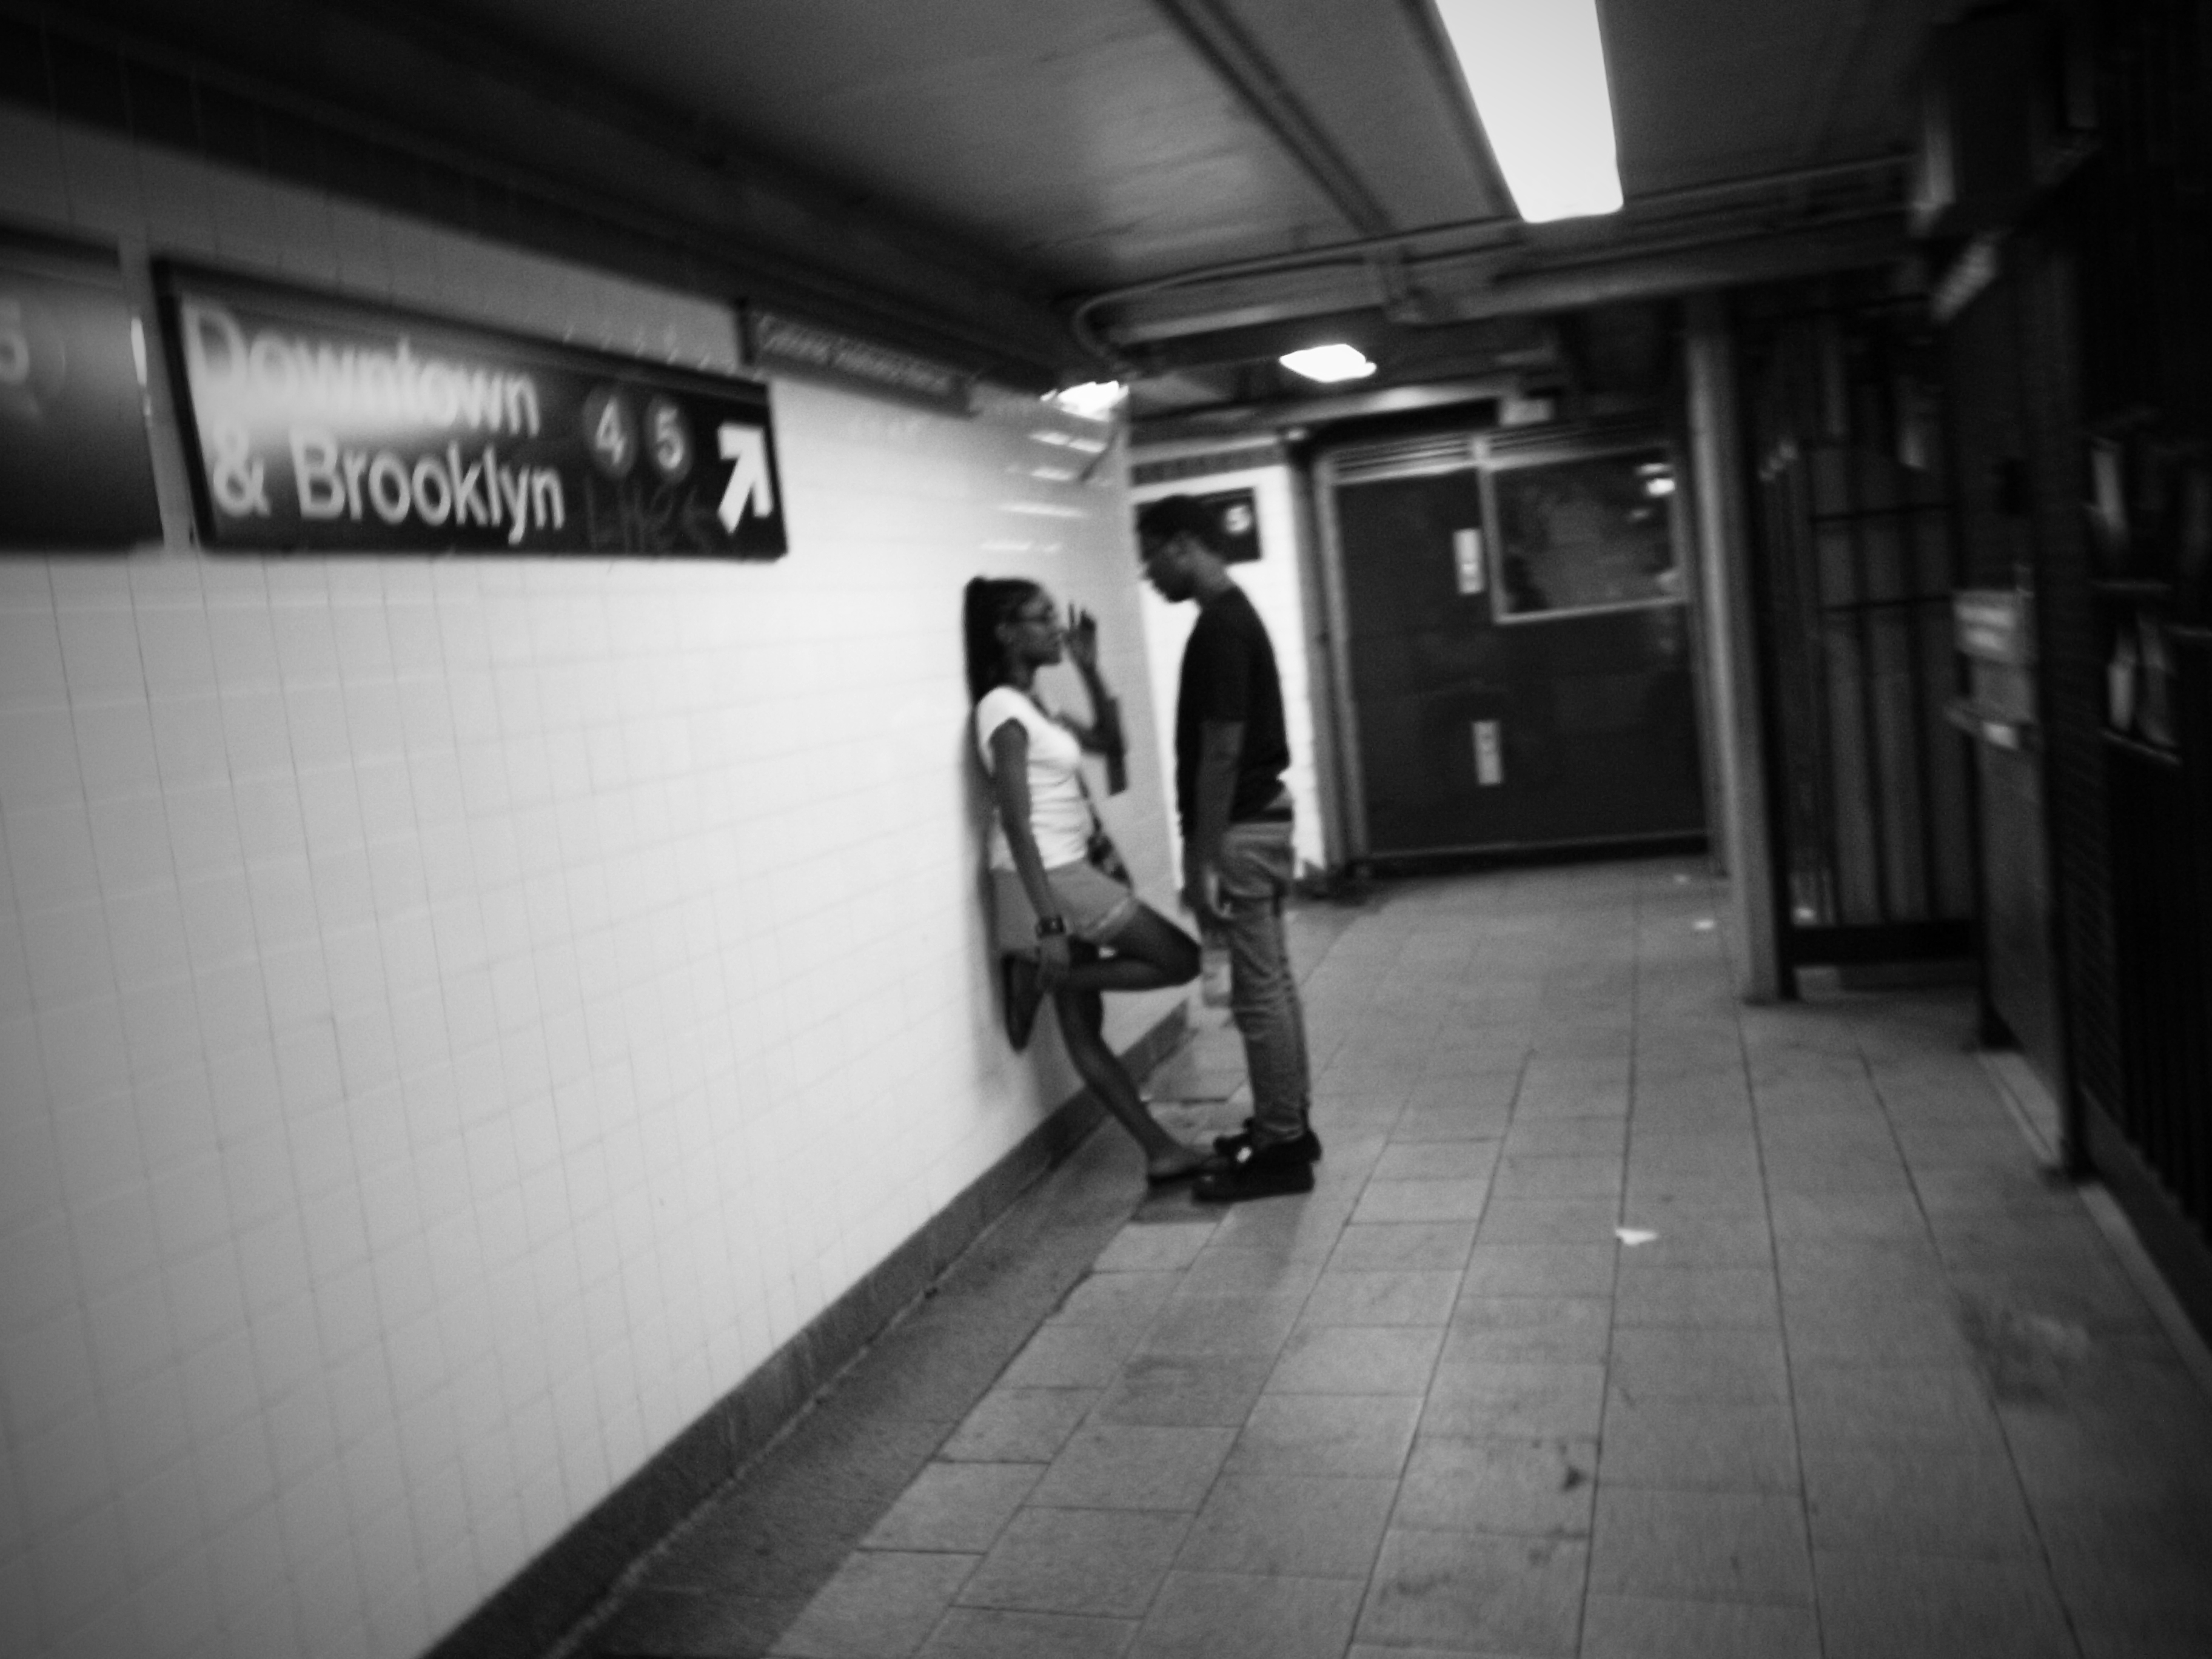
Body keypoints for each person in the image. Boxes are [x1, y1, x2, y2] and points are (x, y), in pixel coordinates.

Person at [964, 577, 1211, 1183]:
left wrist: (1091, 668)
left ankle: (1160, 1151)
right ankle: (1044, 975)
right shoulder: (1000, 709)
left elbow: (1111, 742)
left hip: (1059, 870)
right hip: (1047, 878)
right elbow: (1016, 823)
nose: (1058, 627)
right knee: (1180, 958)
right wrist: (1049, 924)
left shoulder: (1036, 704)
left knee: (1083, 1028)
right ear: (1006, 633)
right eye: (1042, 617)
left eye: (1055, 616)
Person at [1138, 495, 1319, 1202]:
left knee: (1258, 990)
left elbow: (1221, 749)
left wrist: (1200, 854)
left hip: (1240, 829)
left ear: (1183, 544)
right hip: (1261, 820)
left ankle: (1281, 1148)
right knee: (1273, 982)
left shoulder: (1219, 627)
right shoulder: (1233, 617)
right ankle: (1287, 1127)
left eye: (1151, 556)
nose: (1148, 574)